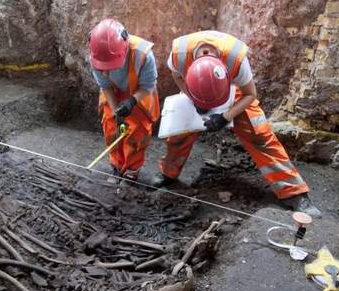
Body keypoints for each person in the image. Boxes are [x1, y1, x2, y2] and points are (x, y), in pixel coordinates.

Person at [153, 30, 321, 217]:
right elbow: (177, 76)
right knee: (179, 131)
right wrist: (193, 98)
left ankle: (294, 193)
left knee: (259, 135)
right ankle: (168, 172)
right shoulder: (178, 56)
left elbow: (250, 94)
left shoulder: (237, 61)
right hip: (196, 91)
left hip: (235, 94)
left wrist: (225, 116)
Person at [88, 18, 160, 182]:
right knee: (111, 126)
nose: (105, 72)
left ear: (124, 51)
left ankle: (131, 170)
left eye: (110, 67)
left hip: (139, 93)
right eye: (102, 68)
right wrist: (115, 112)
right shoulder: (97, 53)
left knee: (136, 131)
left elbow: (148, 85)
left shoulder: (143, 55)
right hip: (112, 91)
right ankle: (116, 165)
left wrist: (131, 102)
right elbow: (105, 85)